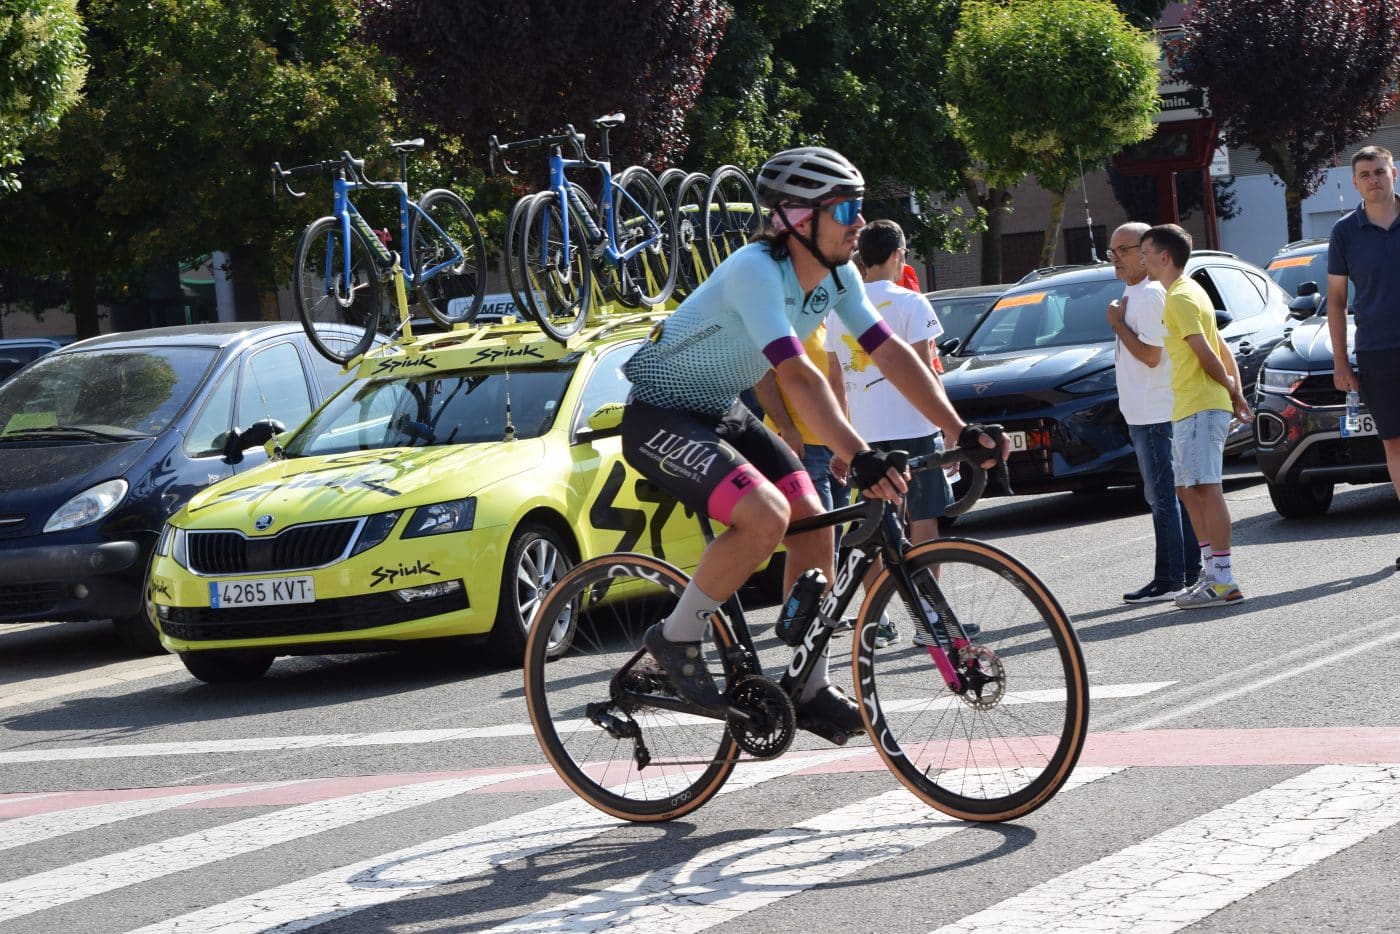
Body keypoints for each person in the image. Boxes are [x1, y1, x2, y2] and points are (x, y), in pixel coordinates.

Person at [620, 146, 1004, 743]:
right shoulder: (755, 270)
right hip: (661, 414)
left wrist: (957, 430)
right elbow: (796, 374)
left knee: (816, 521)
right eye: (845, 209)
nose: (858, 222)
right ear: (798, 218)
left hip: (719, 411)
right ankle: (674, 639)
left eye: (858, 207)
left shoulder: (838, 276)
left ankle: (809, 683)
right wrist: (860, 450)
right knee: (766, 516)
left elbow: (888, 351)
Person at [828, 219, 953, 646]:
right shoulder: (911, 303)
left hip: (862, 435)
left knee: (873, 528)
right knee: (924, 521)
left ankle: (876, 622)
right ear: (899, 254)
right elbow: (925, 370)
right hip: (914, 427)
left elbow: (834, 381)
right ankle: (929, 620)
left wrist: (839, 438)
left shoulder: (841, 307)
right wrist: (951, 426)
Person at [1139, 223, 1253, 608]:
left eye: (1145, 252)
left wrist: (1233, 390)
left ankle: (1223, 579)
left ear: (1164, 257)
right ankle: (1211, 572)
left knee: (1206, 488)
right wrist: (1234, 389)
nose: (1142, 259)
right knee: (1187, 490)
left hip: (1201, 406)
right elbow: (1223, 346)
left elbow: (1207, 352)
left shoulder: (1180, 297)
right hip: (1190, 406)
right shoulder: (1189, 292)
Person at [1105, 222, 1202, 603]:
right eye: (1113, 251)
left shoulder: (1148, 296)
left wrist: (1116, 324)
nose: (1117, 258)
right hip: (1145, 410)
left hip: (1155, 411)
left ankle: (1170, 577)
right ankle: (1188, 569)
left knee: (1163, 497)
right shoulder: (1137, 293)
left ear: (1147, 252)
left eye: (1125, 250)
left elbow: (1151, 355)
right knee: (1172, 496)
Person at [1327, 145, 1400, 567]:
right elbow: (1336, 300)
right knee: (1395, 442)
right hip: (1378, 352)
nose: (1373, 179)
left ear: (1394, 174)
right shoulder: (1344, 232)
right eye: (1365, 174)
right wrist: (1341, 362)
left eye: (1379, 171)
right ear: (1355, 182)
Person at [752, 325, 850, 511]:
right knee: (820, 526)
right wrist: (786, 428)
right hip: (803, 445)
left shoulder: (825, 322)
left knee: (838, 522)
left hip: (838, 443)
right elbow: (763, 381)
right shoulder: (777, 325)